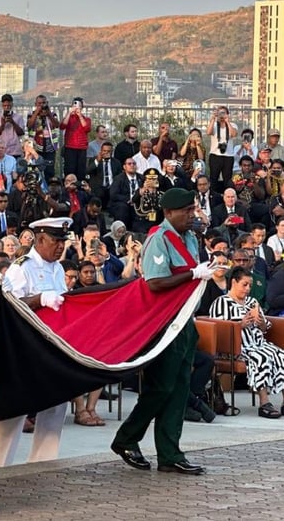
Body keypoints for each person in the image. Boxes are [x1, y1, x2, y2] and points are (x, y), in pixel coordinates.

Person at [111, 187, 226, 476]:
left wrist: (205, 269)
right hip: (163, 323)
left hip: (184, 320)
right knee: (160, 386)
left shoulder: (188, 237)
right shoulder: (158, 239)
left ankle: (170, 453)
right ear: (169, 213)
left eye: (193, 209)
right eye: (186, 211)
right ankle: (127, 438)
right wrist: (193, 274)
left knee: (179, 389)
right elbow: (155, 283)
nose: (191, 215)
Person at [0, 218, 72, 466]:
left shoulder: (57, 267)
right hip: (25, 347)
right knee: (15, 409)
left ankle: (42, 464)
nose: (60, 247)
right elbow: (8, 306)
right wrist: (39, 300)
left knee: (55, 407)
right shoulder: (22, 267)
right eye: (56, 241)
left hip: (55, 345)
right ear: (41, 239)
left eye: (63, 242)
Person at [209, 266, 284, 419]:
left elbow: (265, 328)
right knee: (260, 357)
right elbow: (218, 328)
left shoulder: (252, 301)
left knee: (281, 355)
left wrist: (261, 322)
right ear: (234, 282)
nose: (248, 288)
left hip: (259, 343)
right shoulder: (221, 302)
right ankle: (264, 403)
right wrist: (240, 325)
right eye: (245, 284)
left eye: (250, 285)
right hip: (236, 348)